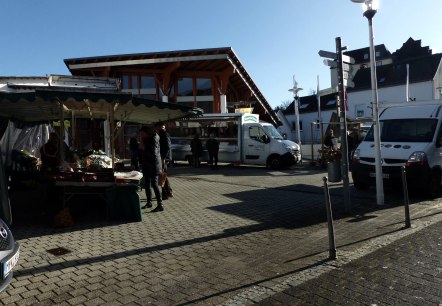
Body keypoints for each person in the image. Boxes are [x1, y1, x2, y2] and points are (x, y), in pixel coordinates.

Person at [139, 126, 163, 212]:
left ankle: (160, 204)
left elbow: (153, 153)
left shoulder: (153, 139)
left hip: (153, 165)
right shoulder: (148, 139)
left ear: (147, 132)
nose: (141, 135)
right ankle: (149, 202)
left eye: (142, 134)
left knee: (154, 184)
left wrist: (143, 148)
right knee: (147, 184)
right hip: (147, 165)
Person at [157, 124, 173, 200]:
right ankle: (168, 192)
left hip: (163, 158)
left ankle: (165, 193)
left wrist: (163, 158)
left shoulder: (163, 134)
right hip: (164, 158)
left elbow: (167, 147)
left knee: (162, 175)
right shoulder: (163, 134)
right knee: (163, 176)